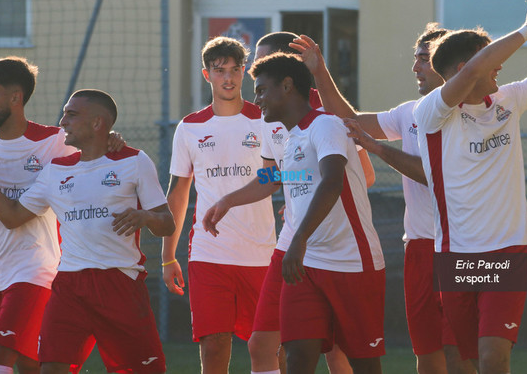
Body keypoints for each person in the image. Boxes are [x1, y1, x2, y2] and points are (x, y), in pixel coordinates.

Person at [0, 89, 173, 374]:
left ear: (97, 124)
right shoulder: (56, 170)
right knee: (51, 366)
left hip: (120, 283)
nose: (63, 121)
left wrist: (145, 216)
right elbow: (12, 216)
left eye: (72, 114)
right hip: (68, 285)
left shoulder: (134, 161)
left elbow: (167, 222)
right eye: (65, 113)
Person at [292, 27, 475, 374]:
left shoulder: (471, 115)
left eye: (424, 58)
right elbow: (351, 121)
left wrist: (378, 148)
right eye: (415, 58)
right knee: (427, 355)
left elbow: (438, 176)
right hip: (420, 247)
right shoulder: (410, 112)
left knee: (460, 355)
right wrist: (319, 70)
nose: (416, 66)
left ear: (446, 63)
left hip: (464, 247)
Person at [0, 57, 123, 374]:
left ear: (15, 97)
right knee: (30, 365)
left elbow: (103, 154)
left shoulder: (54, 143)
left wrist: (112, 143)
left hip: (37, 270)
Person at [203, 31, 374, 374]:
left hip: (337, 248)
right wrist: (230, 200)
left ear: (286, 76)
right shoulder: (272, 119)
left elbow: (361, 176)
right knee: (264, 343)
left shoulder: (328, 113)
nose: (255, 70)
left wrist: (309, 195)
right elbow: (278, 176)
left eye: (264, 62)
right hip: (293, 243)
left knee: (340, 350)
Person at [413, 0, 527, 374]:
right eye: (489, 58)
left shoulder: (507, 101)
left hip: (508, 250)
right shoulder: (432, 111)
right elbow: (480, 67)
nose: (500, 66)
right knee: (459, 361)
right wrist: (525, 30)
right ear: (462, 70)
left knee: (493, 358)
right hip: (457, 254)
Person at [249, 52, 386, 374]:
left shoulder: (325, 125)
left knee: (363, 363)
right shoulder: (289, 138)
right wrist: (227, 201)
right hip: (306, 264)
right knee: (296, 356)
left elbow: (332, 181)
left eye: (260, 89)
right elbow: (274, 178)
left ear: (287, 85)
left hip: (352, 261)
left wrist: (298, 239)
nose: (256, 100)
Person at [162, 36, 276, 374]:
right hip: (209, 254)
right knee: (213, 347)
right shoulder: (189, 128)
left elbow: (278, 176)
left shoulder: (266, 119)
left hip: (262, 252)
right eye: (219, 69)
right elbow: (178, 193)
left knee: (272, 348)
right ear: (206, 74)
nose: (228, 77)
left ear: (245, 73)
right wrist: (168, 256)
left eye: (235, 69)